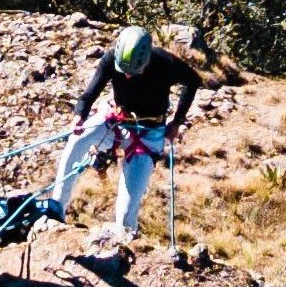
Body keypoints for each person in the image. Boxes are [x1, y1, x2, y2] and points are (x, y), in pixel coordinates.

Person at [49, 26, 199, 242]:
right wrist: (79, 116)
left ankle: (124, 239)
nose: (127, 75)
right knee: (77, 139)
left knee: (126, 213)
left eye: (133, 71)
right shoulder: (111, 59)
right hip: (116, 120)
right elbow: (90, 92)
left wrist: (176, 122)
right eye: (124, 70)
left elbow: (193, 81)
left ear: (146, 60)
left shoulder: (165, 63)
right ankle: (56, 209)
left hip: (149, 133)